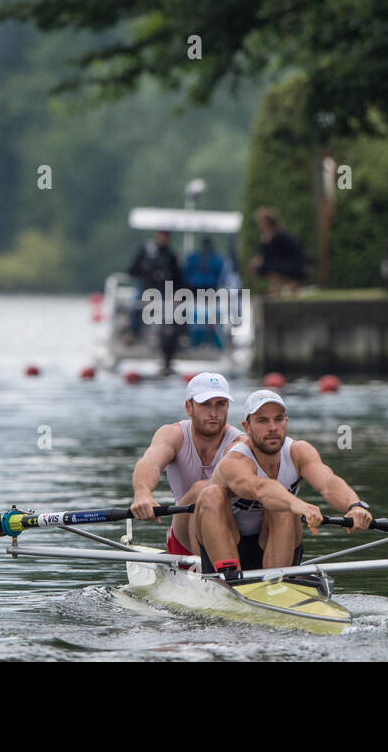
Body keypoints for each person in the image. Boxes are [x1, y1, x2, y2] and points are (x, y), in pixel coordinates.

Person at [193, 389, 373, 576]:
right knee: (210, 495)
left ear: (285, 422)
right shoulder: (235, 460)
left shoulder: (299, 451)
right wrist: (297, 504)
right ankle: (228, 578)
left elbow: (328, 483)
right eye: (263, 421)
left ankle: (277, 583)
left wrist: (355, 506)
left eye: (278, 419)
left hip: (276, 542)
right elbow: (260, 489)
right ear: (247, 427)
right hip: (226, 544)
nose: (272, 428)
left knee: (283, 507)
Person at [130, 372, 244, 559]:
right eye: (205, 404)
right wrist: (143, 493)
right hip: (183, 537)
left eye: (220, 404)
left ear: (228, 407)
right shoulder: (173, 434)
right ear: (189, 407)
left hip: (231, 534)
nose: (214, 413)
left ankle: (221, 570)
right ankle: (208, 570)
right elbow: (150, 462)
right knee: (203, 489)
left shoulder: (239, 441)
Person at [126, 230, 186, 374]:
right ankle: (132, 332)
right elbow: (132, 271)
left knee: (174, 312)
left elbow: (177, 278)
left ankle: (179, 339)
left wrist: (176, 294)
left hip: (164, 293)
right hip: (147, 291)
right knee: (136, 305)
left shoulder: (170, 255)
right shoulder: (146, 252)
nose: (163, 239)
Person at [248, 207, 305, 295]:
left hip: (291, 265)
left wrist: (260, 261)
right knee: (262, 267)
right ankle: (279, 287)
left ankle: (281, 287)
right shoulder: (269, 236)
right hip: (284, 263)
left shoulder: (279, 236)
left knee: (265, 268)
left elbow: (276, 256)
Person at [184, 238, 225, 349]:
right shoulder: (194, 259)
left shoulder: (216, 260)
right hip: (193, 292)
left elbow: (221, 278)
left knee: (211, 318)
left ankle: (210, 343)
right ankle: (195, 343)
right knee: (195, 319)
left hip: (210, 292)